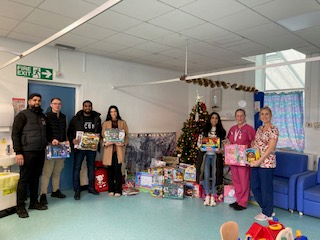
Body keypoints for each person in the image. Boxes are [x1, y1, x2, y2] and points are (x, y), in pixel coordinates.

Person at [11, 93, 48, 218]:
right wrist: (18, 153)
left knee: (35, 178)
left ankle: (34, 202)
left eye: (39, 100)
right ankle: (20, 207)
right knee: (24, 179)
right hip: (27, 152)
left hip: (40, 152)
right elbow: (15, 135)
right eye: (34, 100)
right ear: (29, 101)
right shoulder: (22, 115)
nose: (37, 102)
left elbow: (45, 134)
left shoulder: (43, 117)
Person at [67, 100, 102, 200]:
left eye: (89, 106)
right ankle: (77, 190)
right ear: (83, 107)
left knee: (91, 167)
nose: (87, 107)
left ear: (91, 107)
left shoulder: (97, 118)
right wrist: (72, 140)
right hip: (80, 148)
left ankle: (91, 187)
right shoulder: (75, 119)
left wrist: (98, 139)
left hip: (92, 148)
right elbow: (69, 132)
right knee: (77, 168)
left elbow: (100, 131)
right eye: (86, 106)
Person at [250, 106, 279, 221]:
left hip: (267, 164)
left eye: (267, 114)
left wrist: (259, 161)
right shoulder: (259, 129)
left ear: (270, 115)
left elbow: (270, 148)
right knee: (254, 185)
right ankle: (267, 209)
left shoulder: (273, 129)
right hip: (256, 162)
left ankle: (267, 212)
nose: (264, 116)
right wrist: (251, 157)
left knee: (266, 188)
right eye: (262, 114)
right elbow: (256, 145)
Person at [39, 98, 69, 206]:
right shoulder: (46, 116)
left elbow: (65, 131)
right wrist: (51, 140)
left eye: (59, 104)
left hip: (61, 148)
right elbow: (44, 132)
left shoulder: (63, 117)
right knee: (47, 172)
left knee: (57, 171)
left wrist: (67, 141)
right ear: (51, 104)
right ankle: (43, 194)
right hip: (50, 147)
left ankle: (55, 191)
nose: (57, 105)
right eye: (55, 104)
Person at [226, 109, 256, 211]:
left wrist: (252, 159)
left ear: (244, 116)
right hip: (233, 157)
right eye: (238, 116)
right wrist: (227, 145)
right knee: (236, 180)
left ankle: (243, 202)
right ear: (235, 117)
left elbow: (253, 143)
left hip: (243, 158)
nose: (239, 118)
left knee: (244, 181)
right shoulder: (232, 128)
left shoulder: (249, 129)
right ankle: (238, 200)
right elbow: (229, 141)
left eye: (241, 116)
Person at [199, 112, 226, 206]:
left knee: (215, 176)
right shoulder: (204, 131)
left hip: (216, 156)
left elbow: (223, 145)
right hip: (206, 156)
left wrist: (221, 150)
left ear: (218, 120)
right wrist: (202, 146)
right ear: (210, 119)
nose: (214, 120)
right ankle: (207, 195)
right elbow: (199, 143)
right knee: (206, 175)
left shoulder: (221, 132)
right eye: (212, 118)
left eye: (216, 118)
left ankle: (213, 196)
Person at [101, 105, 129, 197]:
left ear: (117, 112)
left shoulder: (122, 123)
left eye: (115, 111)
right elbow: (102, 137)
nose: (113, 113)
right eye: (111, 112)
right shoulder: (105, 123)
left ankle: (118, 190)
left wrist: (123, 144)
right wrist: (105, 143)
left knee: (118, 170)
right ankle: (111, 189)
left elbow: (126, 136)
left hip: (118, 150)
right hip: (109, 150)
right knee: (110, 171)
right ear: (109, 113)